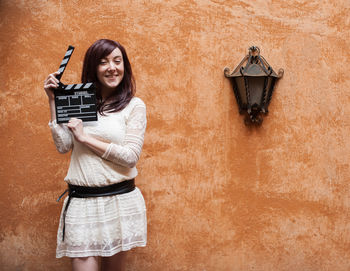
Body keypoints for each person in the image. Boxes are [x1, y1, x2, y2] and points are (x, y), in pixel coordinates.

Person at [44, 39, 147, 271]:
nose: (112, 67)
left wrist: (86, 138)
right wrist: (52, 100)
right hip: (82, 204)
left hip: (119, 201)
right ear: (93, 68)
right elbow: (63, 146)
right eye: (103, 62)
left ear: (125, 66)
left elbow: (131, 156)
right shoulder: (78, 99)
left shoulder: (134, 106)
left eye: (117, 61)